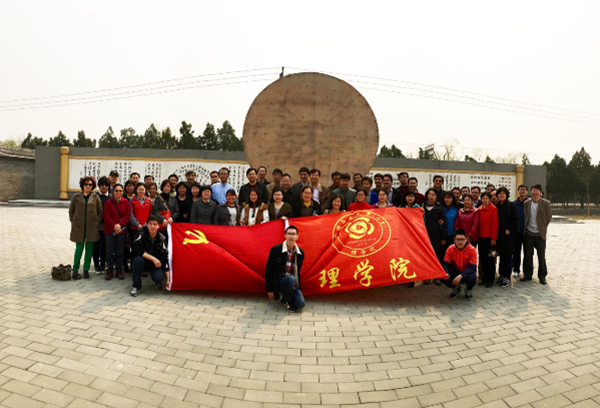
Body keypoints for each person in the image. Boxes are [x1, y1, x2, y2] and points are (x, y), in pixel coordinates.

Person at [265, 225, 305, 313]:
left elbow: (297, 273)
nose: (291, 236)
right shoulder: (276, 250)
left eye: (294, 234)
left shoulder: (300, 253)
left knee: (301, 304)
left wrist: (299, 289)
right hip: (280, 282)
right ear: (285, 235)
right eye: (289, 234)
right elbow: (269, 270)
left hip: (293, 283)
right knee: (290, 279)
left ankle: (287, 295)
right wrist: (269, 290)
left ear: (297, 236)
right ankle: (285, 301)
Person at [69, 176, 103, 280]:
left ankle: (86, 270)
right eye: (86, 184)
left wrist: (96, 221)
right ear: (82, 185)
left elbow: (100, 211)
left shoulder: (95, 197)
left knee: (89, 249)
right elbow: (71, 211)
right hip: (79, 227)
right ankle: (75, 269)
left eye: (90, 184)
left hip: (91, 227)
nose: (88, 186)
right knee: (79, 249)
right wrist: (74, 220)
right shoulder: (76, 197)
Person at [131, 215, 169, 297]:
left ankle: (158, 282)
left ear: (158, 226)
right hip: (142, 261)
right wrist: (153, 259)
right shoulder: (140, 233)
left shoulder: (162, 238)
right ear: (147, 225)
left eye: (155, 224)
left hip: (154, 264)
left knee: (159, 277)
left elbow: (165, 259)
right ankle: (136, 286)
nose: (152, 226)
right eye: (150, 224)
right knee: (137, 260)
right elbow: (137, 250)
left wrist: (168, 280)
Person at [522, 184, 552, 284]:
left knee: (541, 256)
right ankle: (527, 274)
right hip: (529, 233)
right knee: (527, 255)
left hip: (540, 234)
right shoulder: (527, 203)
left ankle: (542, 276)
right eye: (533, 190)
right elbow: (526, 215)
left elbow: (548, 217)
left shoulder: (546, 203)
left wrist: (542, 227)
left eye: (537, 191)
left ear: (540, 192)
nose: (535, 193)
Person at [103, 183, 130, 281]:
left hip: (121, 231)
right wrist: (114, 225)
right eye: (116, 190)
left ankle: (119, 269)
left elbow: (127, 215)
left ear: (123, 192)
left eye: (120, 191)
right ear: (113, 192)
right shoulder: (108, 202)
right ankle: (110, 270)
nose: (118, 192)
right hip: (109, 231)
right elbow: (106, 216)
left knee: (120, 251)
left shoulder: (126, 202)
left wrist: (120, 225)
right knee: (109, 251)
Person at [442, 229, 478, 301]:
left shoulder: (472, 250)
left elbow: (472, 267)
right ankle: (456, 288)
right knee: (442, 276)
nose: (460, 242)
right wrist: (446, 273)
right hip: (455, 270)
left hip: (467, 272)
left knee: (472, 278)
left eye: (462, 239)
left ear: (466, 239)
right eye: (458, 239)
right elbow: (446, 264)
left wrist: (461, 276)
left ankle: (468, 289)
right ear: (454, 240)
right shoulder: (450, 249)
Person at [495, 187, 519, 287]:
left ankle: (507, 278)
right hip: (499, 235)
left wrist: (509, 229)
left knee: (508, 256)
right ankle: (502, 275)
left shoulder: (511, 205)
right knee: (501, 256)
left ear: (506, 195)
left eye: (503, 193)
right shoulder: (496, 206)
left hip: (508, 236)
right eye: (500, 193)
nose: (501, 195)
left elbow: (515, 220)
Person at [423, 188, 447, 285]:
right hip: (425, 236)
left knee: (437, 255)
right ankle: (427, 276)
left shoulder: (439, 208)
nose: (431, 196)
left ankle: (437, 276)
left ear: (436, 196)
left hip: (436, 236)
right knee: (426, 256)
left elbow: (444, 223)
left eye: (433, 194)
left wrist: (443, 238)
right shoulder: (422, 207)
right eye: (430, 194)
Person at [477, 192, 499, 287]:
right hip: (481, 238)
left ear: (490, 199)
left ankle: (490, 279)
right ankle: (484, 278)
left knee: (491, 259)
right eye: (483, 198)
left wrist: (494, 238)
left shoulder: (493, 209)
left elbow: (495, 224)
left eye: (486, 198)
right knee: (483, 259)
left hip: (490, 239)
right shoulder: (479, 209)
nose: (484, 200)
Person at [93, 177, 111, 274]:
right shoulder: (94, 196)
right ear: (99, 186)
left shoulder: (111, 197)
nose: (104, 187)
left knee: (105, 246)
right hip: (96, 225)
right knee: (96, 245)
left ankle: (103, 265)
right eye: (102, 185)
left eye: (106, 185)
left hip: (107, 225)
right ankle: (96, 265)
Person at [513, 184, 529, 278]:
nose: (522, 191)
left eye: (524, 189)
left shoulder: (530, 203)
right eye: (520, 189)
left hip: (528, 231)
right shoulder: (514, 204)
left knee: (527, 253)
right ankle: (516, 270)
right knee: (516, 252)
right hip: (517, 232)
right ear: (518, 191)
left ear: (527, 191)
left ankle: (527, 271)